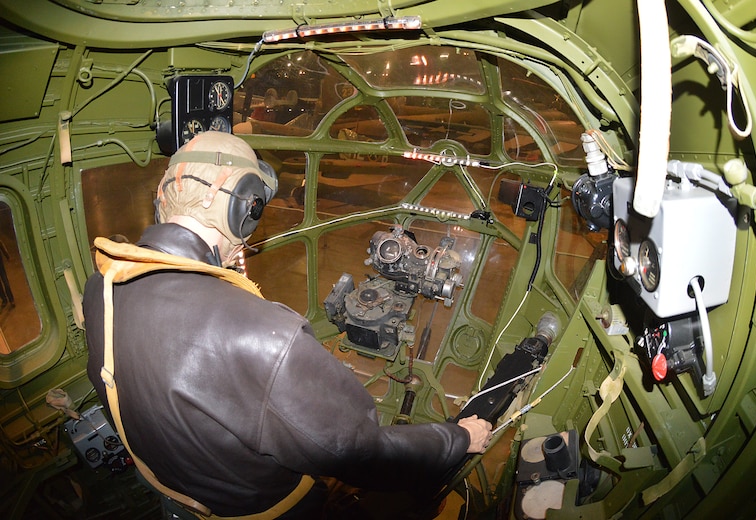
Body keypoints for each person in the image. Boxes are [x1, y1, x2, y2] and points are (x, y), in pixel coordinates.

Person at [83, 131, 491, 519]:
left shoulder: (102, 287)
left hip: (174, 494)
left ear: (163, 195)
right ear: (235, 200)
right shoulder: (267, 333)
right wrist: (458, 439)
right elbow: (362, 453)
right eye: (256, 204)